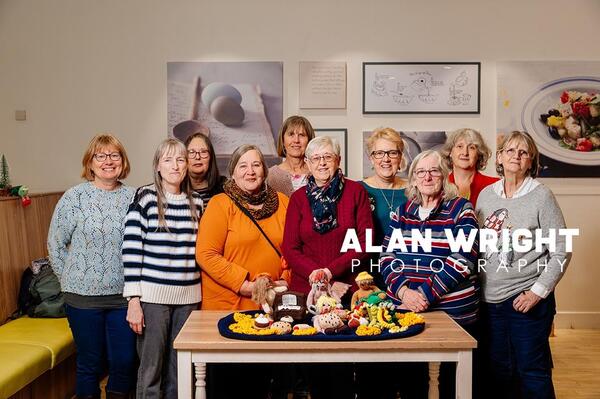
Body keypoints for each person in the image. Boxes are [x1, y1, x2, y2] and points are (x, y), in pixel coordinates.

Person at [379, 149, 480, 398]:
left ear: (444, 176)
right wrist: (404, 292)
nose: (427, 177)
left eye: (433, 171)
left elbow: (464, 257)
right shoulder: (402, 212)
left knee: (453, 383)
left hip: (453, 311)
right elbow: (386, 256)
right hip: (407, 308)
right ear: (413, 179)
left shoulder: (460, 209)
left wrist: (423, 294)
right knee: (409, 379)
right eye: (420, 172)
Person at [477, 131, 570, 399]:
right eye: (510, 151)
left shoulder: (542, 196)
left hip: (526, 300)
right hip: (490, 301)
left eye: (523, 152)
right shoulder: (486, 195)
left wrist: (537, 292)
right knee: (499, 371)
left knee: (532, 371)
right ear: (500, 157)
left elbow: (561, 249)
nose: (516, 156)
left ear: (531, 161)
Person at [282, 136, 373, 399]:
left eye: (328, 157)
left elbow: (365, 242)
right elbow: (290, 247)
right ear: (308, 164)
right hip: (308, 293)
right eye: (316, 158)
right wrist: (315, 274)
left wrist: (330, 272)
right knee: (313, 368)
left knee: (344, 368)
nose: (322, 163)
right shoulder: (298, 199)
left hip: (346, 291)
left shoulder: (356, 192)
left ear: (338, 161)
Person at [196, 144, 289, 399]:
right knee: (228, 384)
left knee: (265, 384)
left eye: (256, 165)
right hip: (228, 307)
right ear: (233, 172)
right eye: (243, 166)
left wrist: (284, 281)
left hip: (271, 309)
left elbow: (293, 250)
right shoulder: (220, 204)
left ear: (265, 171)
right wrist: (245, 284)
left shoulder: (282, 203)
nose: (250, 171)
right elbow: (206, 255)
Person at [48, 134, 136, 399]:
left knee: (124, 361)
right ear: (90, 162)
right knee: (90, 364)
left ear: (123, 161)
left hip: (123, 298)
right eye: (101, 155)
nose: (108, 161)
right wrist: (69, 280)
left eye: (114, 155)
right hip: (82, 299)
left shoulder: (135, 197)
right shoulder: (74, 197)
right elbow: (55, 243)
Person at [122, 138, 203, 399]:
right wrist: (134, 300)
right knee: (151, 369)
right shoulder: (144, 198)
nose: (175, 165)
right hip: (153, 299)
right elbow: (131, 249)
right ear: (158, 166)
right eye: (168, 160)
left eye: (181, 159)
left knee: (180, 370)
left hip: (189, 299)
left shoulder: (197, 202)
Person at [359, 127, 408, 288]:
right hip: (369, 273)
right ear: (371, 159)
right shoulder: (358, 190)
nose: (385, 159)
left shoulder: (414, 189)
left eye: (392, 153)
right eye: (379, 153)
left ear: (400, 157)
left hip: (408, 272)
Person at [441, 128, 498, 207]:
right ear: (450, 152)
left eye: (471, 147)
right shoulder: (440, 186)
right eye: (460, 146)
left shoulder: (495, 185)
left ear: (478, 154)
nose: (465, 153)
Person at [267, 115, 315, 196]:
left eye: (301, 135)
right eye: (291, 134)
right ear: (283, 140)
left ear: (309, 141)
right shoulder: (270, 176)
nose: (296, 140)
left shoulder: (318, 173)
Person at [184, 132, 226, 209]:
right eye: (191, 152)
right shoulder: (177, 189)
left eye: (203, 152)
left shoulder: (225, 187)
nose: (197, 157)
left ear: (211, 157)